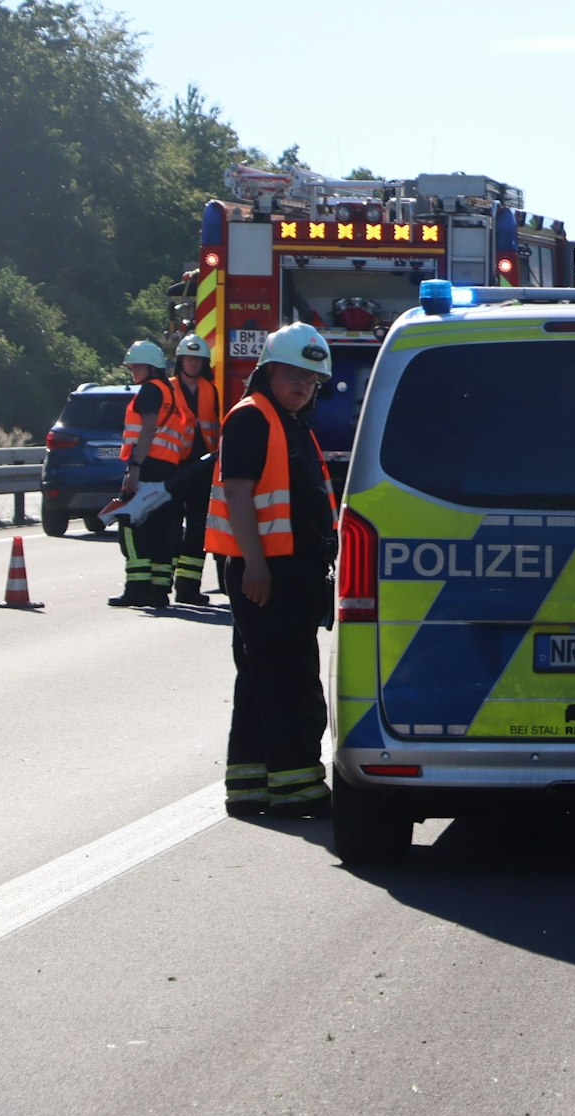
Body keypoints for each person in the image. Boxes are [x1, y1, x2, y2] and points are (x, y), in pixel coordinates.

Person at [207, 323, 338, 818]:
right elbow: (238, 493)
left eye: (311, 378)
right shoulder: (253, 419)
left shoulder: (287, 421)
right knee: (290, 681)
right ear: (268, 372)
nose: (302, 385)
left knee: (262, 677)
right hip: (269, 572)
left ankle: (249, 786)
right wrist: (255, 566)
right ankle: (295, 788)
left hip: (289, 571)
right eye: (293, 374)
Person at [108, 340, 191, 608]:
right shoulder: (172, 393)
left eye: (135, 366)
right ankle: (159, 591)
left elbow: (146, 431)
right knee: (163, 532)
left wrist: (134, 468)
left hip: (147, 467)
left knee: (130, 525)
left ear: (150, 367)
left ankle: (136, 588)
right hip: (169, 471)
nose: (132, 370)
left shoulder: (149, 392)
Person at [167, 334, 221, 605]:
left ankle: (188, 588)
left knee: (198, 528)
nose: (192, 363)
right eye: (188, 359)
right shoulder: (169, 388)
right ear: (180, 361)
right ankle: (164, 585)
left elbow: (216, 425)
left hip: (203, 466)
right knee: (172, 527)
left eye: (197, 360)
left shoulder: (210, 390)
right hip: (175, 466)